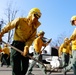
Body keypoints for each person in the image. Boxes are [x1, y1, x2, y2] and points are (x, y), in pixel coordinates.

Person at [0, 8, 41, 75]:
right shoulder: (20, 20)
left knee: (24, 68)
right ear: (31, 14)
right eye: (35, 16)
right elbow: (9, 26)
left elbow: (31, 39)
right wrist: (1, 34)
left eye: (38, 17)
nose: (36, 18)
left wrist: (27, 46)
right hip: (16, 45)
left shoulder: (34, 28)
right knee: (16, 68)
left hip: (25, 46)